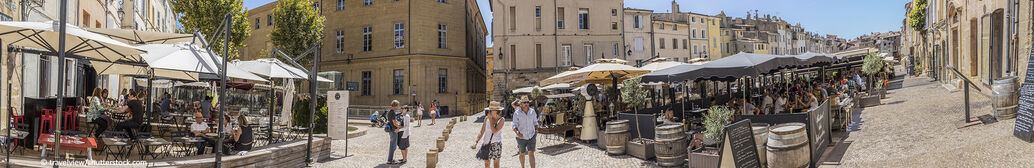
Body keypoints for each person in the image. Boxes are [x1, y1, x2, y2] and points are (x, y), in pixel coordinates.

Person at [473, 101, 505, 168]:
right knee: (487, 163)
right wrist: (476, 141)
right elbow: (481, 132)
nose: (489, 111)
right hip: (486, 143)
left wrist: (490, 120)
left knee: (496, 164)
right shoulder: (486, 119)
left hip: (496, 144)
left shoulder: (501, 120)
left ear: (497, 111)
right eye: (489, 110)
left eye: (491, 110)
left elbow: (494, 131)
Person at [511, 96, 538, 168]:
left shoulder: (532, 112)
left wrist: (536, 130)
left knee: (531, 153)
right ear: (521, 104)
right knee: (522, 153)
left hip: (531, 136)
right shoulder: (517, 113)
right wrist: (517, 133)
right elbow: (514, 125)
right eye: (524, 102)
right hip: (521, 137)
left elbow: (535, 122)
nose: (526, 104)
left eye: (527, 102)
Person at [386, 100, 402, 165]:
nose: (398, 107)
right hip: (393, 130)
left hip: (391, 130)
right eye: (397, 105)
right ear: (395, 106)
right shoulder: (392, 113)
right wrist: (400, 126)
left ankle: (390, 159)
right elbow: (394, 123)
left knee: (392, 145)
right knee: (393, 146)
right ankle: (390, 160)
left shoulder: (389, 112)